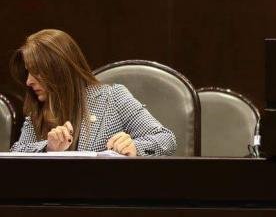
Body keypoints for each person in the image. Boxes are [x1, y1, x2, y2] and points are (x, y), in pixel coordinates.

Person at [10, 29, 176, 155]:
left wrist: (134, 147)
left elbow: (166, 139)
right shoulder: (38, 108)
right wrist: (48, 148)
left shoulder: (113, 97)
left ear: (59, 70)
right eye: (28, 73)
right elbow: (17, 153)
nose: (28, 81)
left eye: (36, 72)